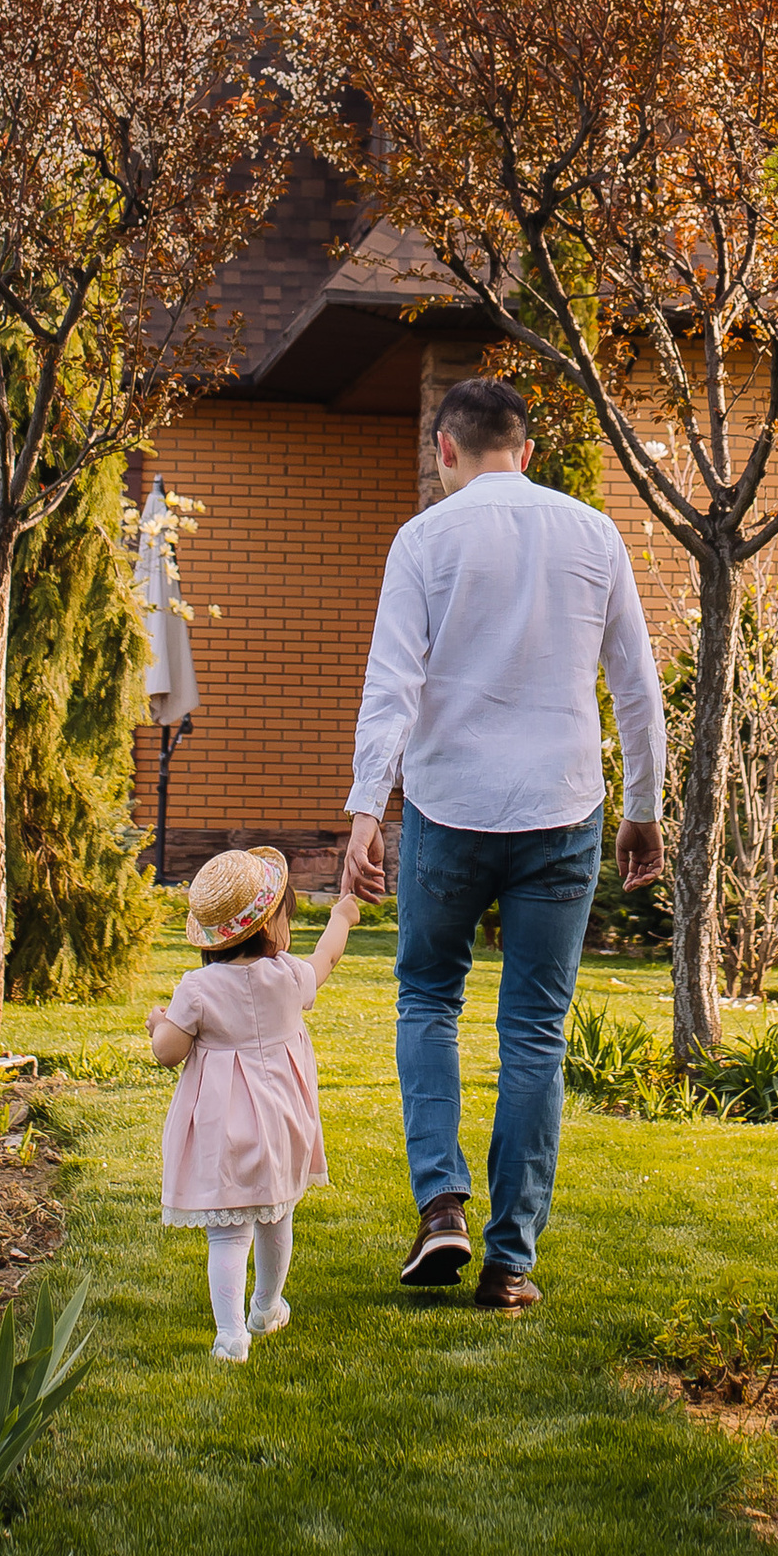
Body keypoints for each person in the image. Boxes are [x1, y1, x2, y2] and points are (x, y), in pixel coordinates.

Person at [343, 373, 665, 1310]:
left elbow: (391, 685)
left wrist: (365, 812)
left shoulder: (423, 539)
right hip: (562, 812)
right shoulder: (594, 534)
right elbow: (637, 685)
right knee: (534, 1031)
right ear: (526, 452)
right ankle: (510, 1263)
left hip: (447, 811)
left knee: (426, 1001)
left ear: (445, 448)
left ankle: (440, 1203)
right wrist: (643, 807)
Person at [148, 843, 360, 1363]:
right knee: (276, 1215)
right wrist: (342, 916)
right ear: (269, 926)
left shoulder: (198, 989)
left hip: (224, 1129)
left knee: (227, 1235)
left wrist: (159, 1024)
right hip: (283, 1124)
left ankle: (230, 1336)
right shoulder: (288, 976)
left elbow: (168, 1052)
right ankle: (266, 1307)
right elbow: (327, 958)